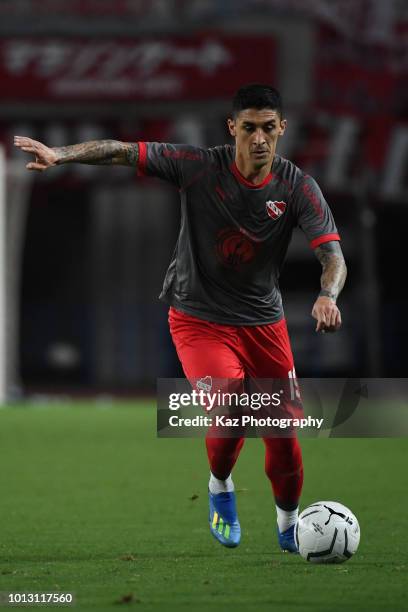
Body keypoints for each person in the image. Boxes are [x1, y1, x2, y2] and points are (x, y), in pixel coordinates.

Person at [14, 83, 346, 553]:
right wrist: (61, 155)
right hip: (199, 319)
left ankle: (290, 523)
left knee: (284, 438)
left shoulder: (297, 187)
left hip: (264, 325)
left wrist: (327, 294)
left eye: (268, 128)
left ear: (281, 130)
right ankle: (219, 487)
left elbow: (333, 255)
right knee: (230, 409)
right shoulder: (198, 167)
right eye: (248, 127)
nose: (258, 139)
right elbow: (123, 153)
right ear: (232, 128)